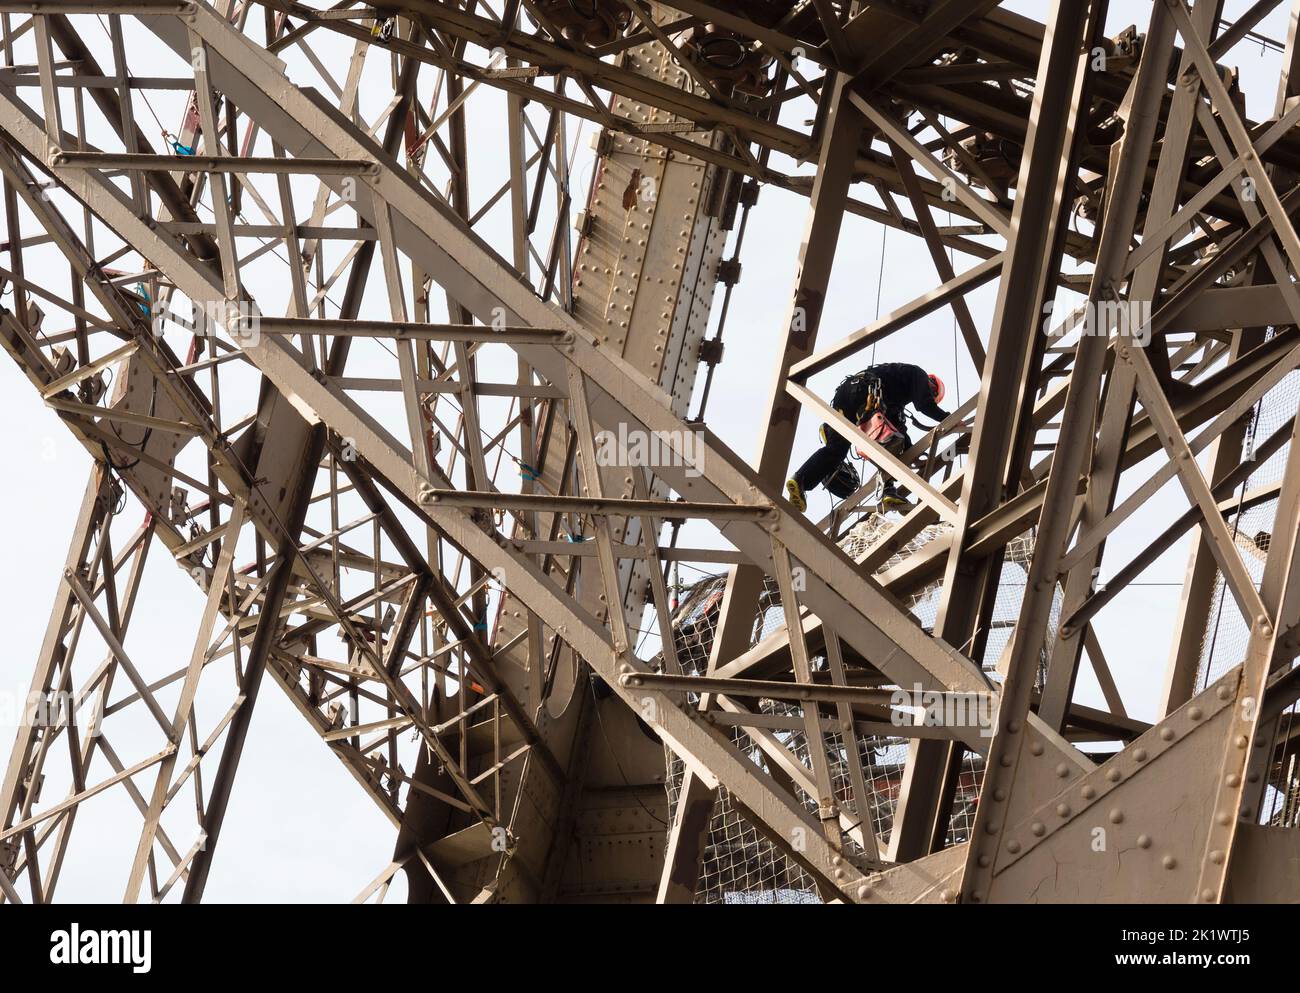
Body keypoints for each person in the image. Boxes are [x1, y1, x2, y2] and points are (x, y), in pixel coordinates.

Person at [786, 363, 948, 512]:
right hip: (865, 394)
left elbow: (901, 430)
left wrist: (913, 453)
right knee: (890, 440)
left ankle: (800, 480)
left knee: (836, 451)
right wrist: (949, 417)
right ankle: (887, 490)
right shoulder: (917, 374)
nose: (927, 393)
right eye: (931, 391)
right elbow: (924, 405)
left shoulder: (895, 398)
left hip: (845, 398)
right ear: (931, 385)